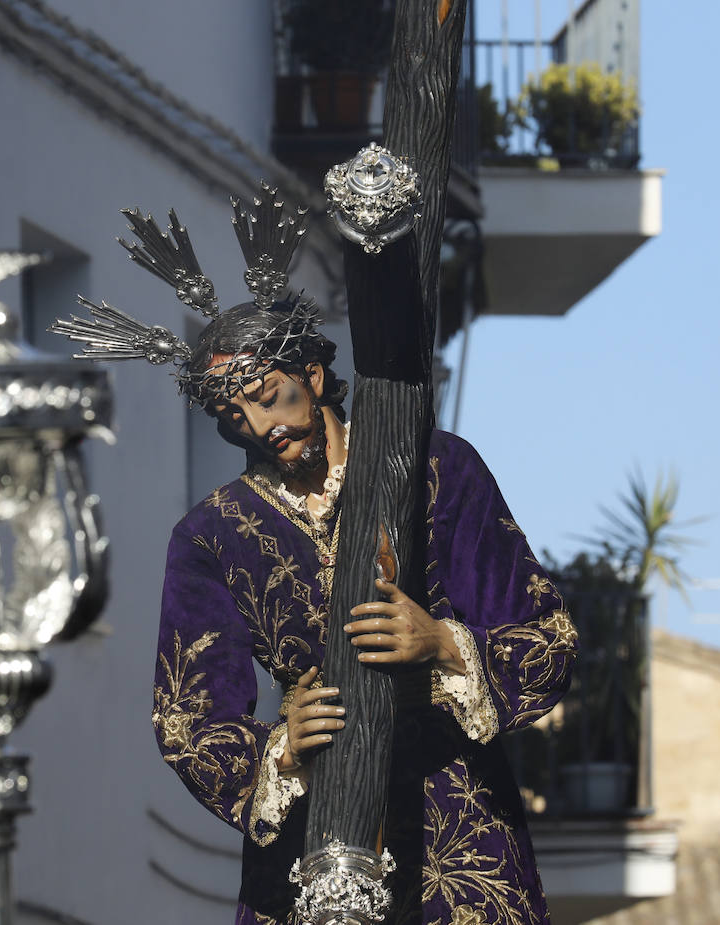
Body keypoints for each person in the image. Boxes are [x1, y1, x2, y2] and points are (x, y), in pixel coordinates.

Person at [52, 193, 577, 925]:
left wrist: (442, 644)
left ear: (315, 374)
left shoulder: (434, 467)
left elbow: (545, 631)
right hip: (310, 839)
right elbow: (187, 719)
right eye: (235, 417)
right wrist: (281, 745)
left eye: (270, 397)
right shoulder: (213, 534)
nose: (261, 426)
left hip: (456, 822)